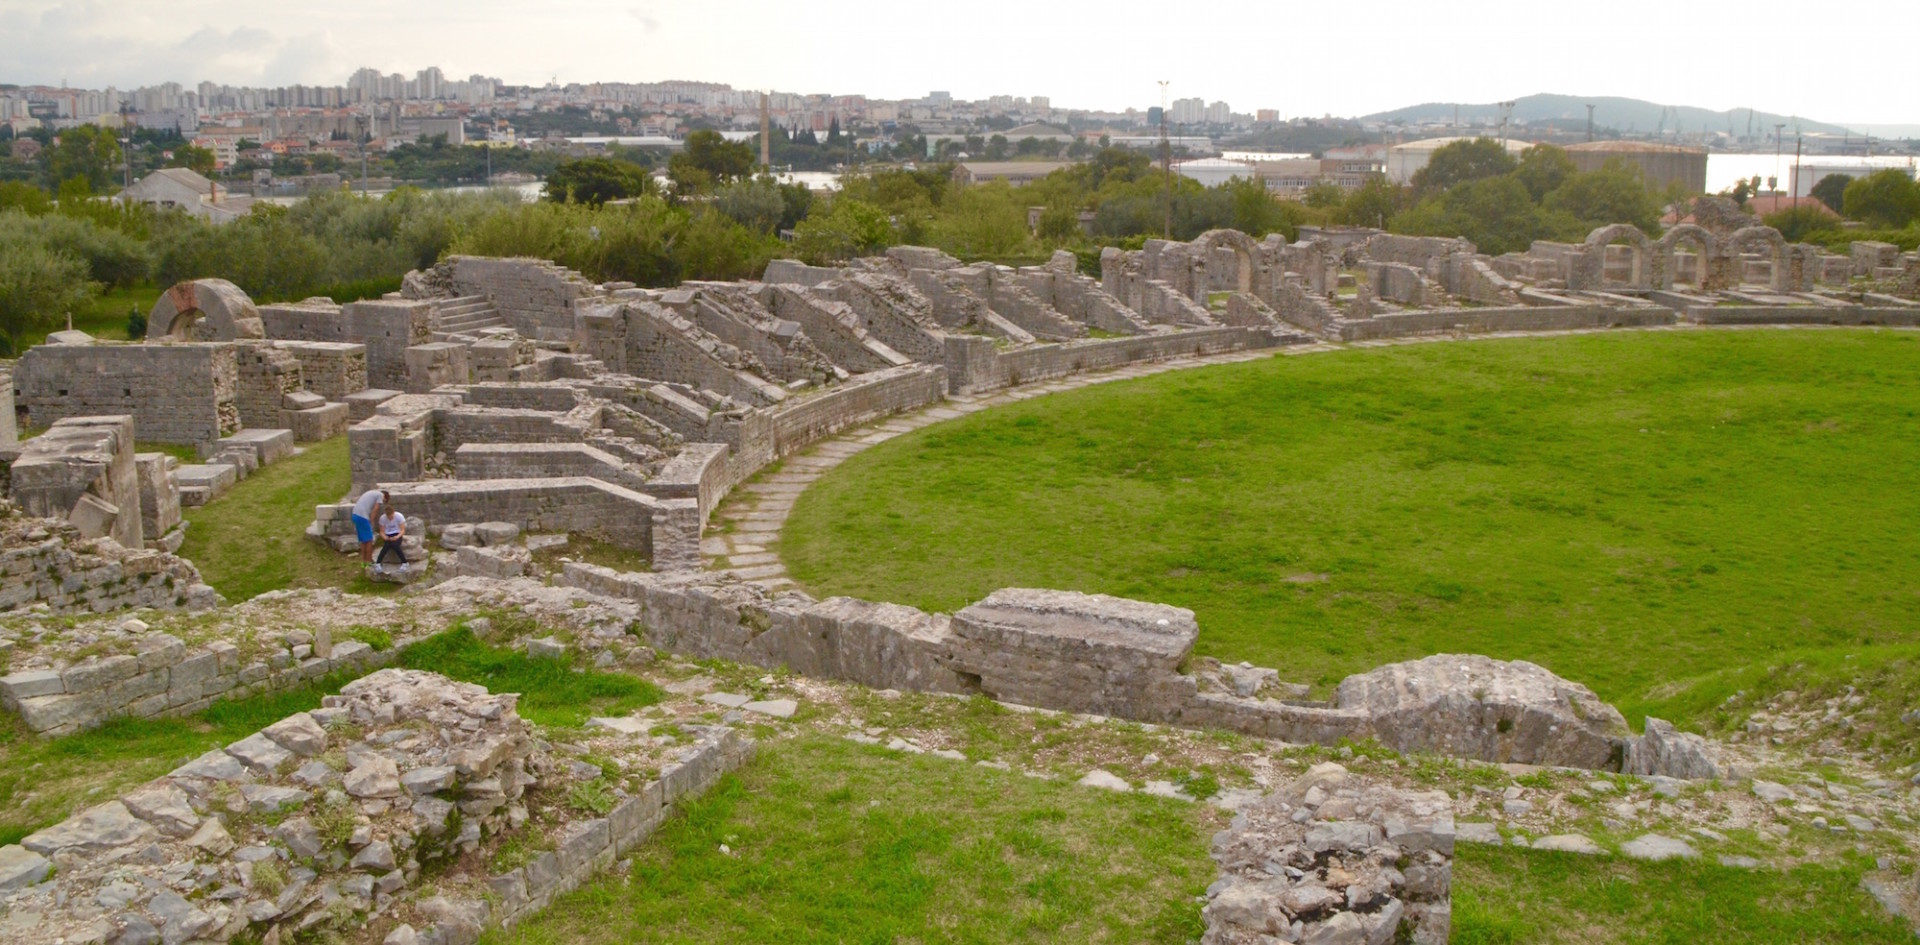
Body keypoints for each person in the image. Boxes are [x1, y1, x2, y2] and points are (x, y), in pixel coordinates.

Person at [349, 489, 389, 567]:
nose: (382, 503)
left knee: (364, 540)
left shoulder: (371, 493)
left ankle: (364, 562)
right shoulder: (380, 495)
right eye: (384, 501)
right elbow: (376, 509)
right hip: (362, 516)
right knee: (369, 540)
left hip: (355, 514)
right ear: (385, 497)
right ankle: (369, 561)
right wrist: (371, 521)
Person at [374, 504, 409, 574]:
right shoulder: (383, 518)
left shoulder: (399, 516)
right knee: (386, 546)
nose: (390, 518)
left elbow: (402, 530)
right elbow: (381, 531)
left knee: (395, 545)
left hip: (397, 533)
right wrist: (385, 537)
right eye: (389, 517)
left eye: (391, 516)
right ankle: (378, 563)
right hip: (388, 534)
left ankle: (404, 562)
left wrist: (397, 537)